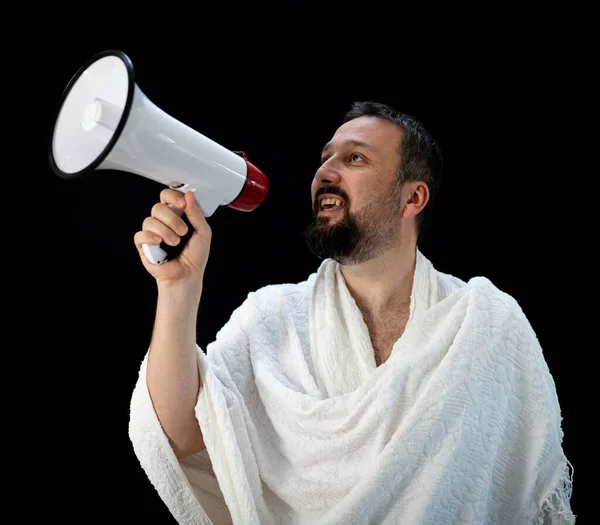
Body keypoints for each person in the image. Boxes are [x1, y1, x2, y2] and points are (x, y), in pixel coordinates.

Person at [128, 101, 575, 524]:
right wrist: (178, 288)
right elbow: (183, 437)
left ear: (412, 198)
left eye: (355, 158)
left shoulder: (484, 326)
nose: (325, 171)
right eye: (325, 158)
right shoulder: (270, 319)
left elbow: (523, 492)